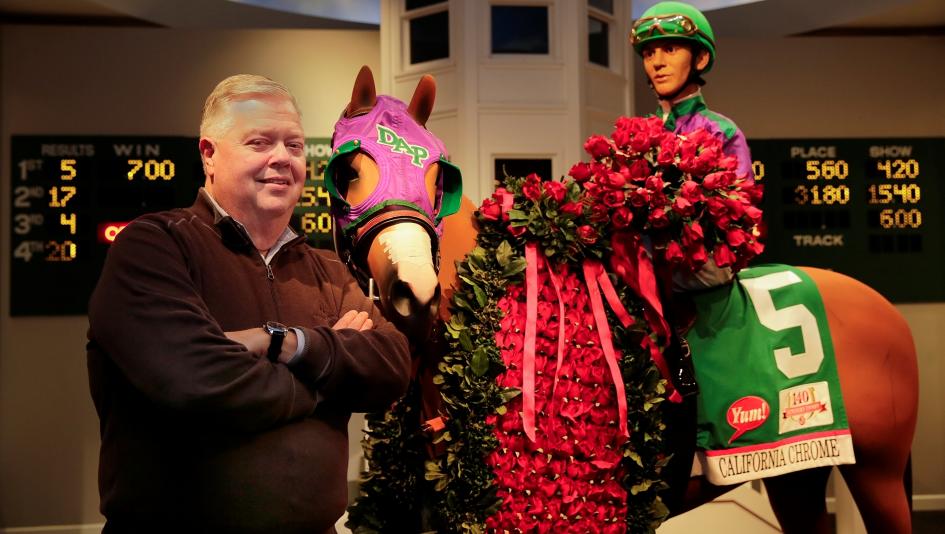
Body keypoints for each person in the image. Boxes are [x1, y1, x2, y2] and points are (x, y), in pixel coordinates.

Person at [86, 74, 411, 533]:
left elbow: (392, 366)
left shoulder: (329, 271)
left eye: (294, 145)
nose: (282, 158)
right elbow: (196, 380)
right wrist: (326, 377)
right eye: (259, 142)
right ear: (209, 154)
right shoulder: (155, 246)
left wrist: (282, 342)